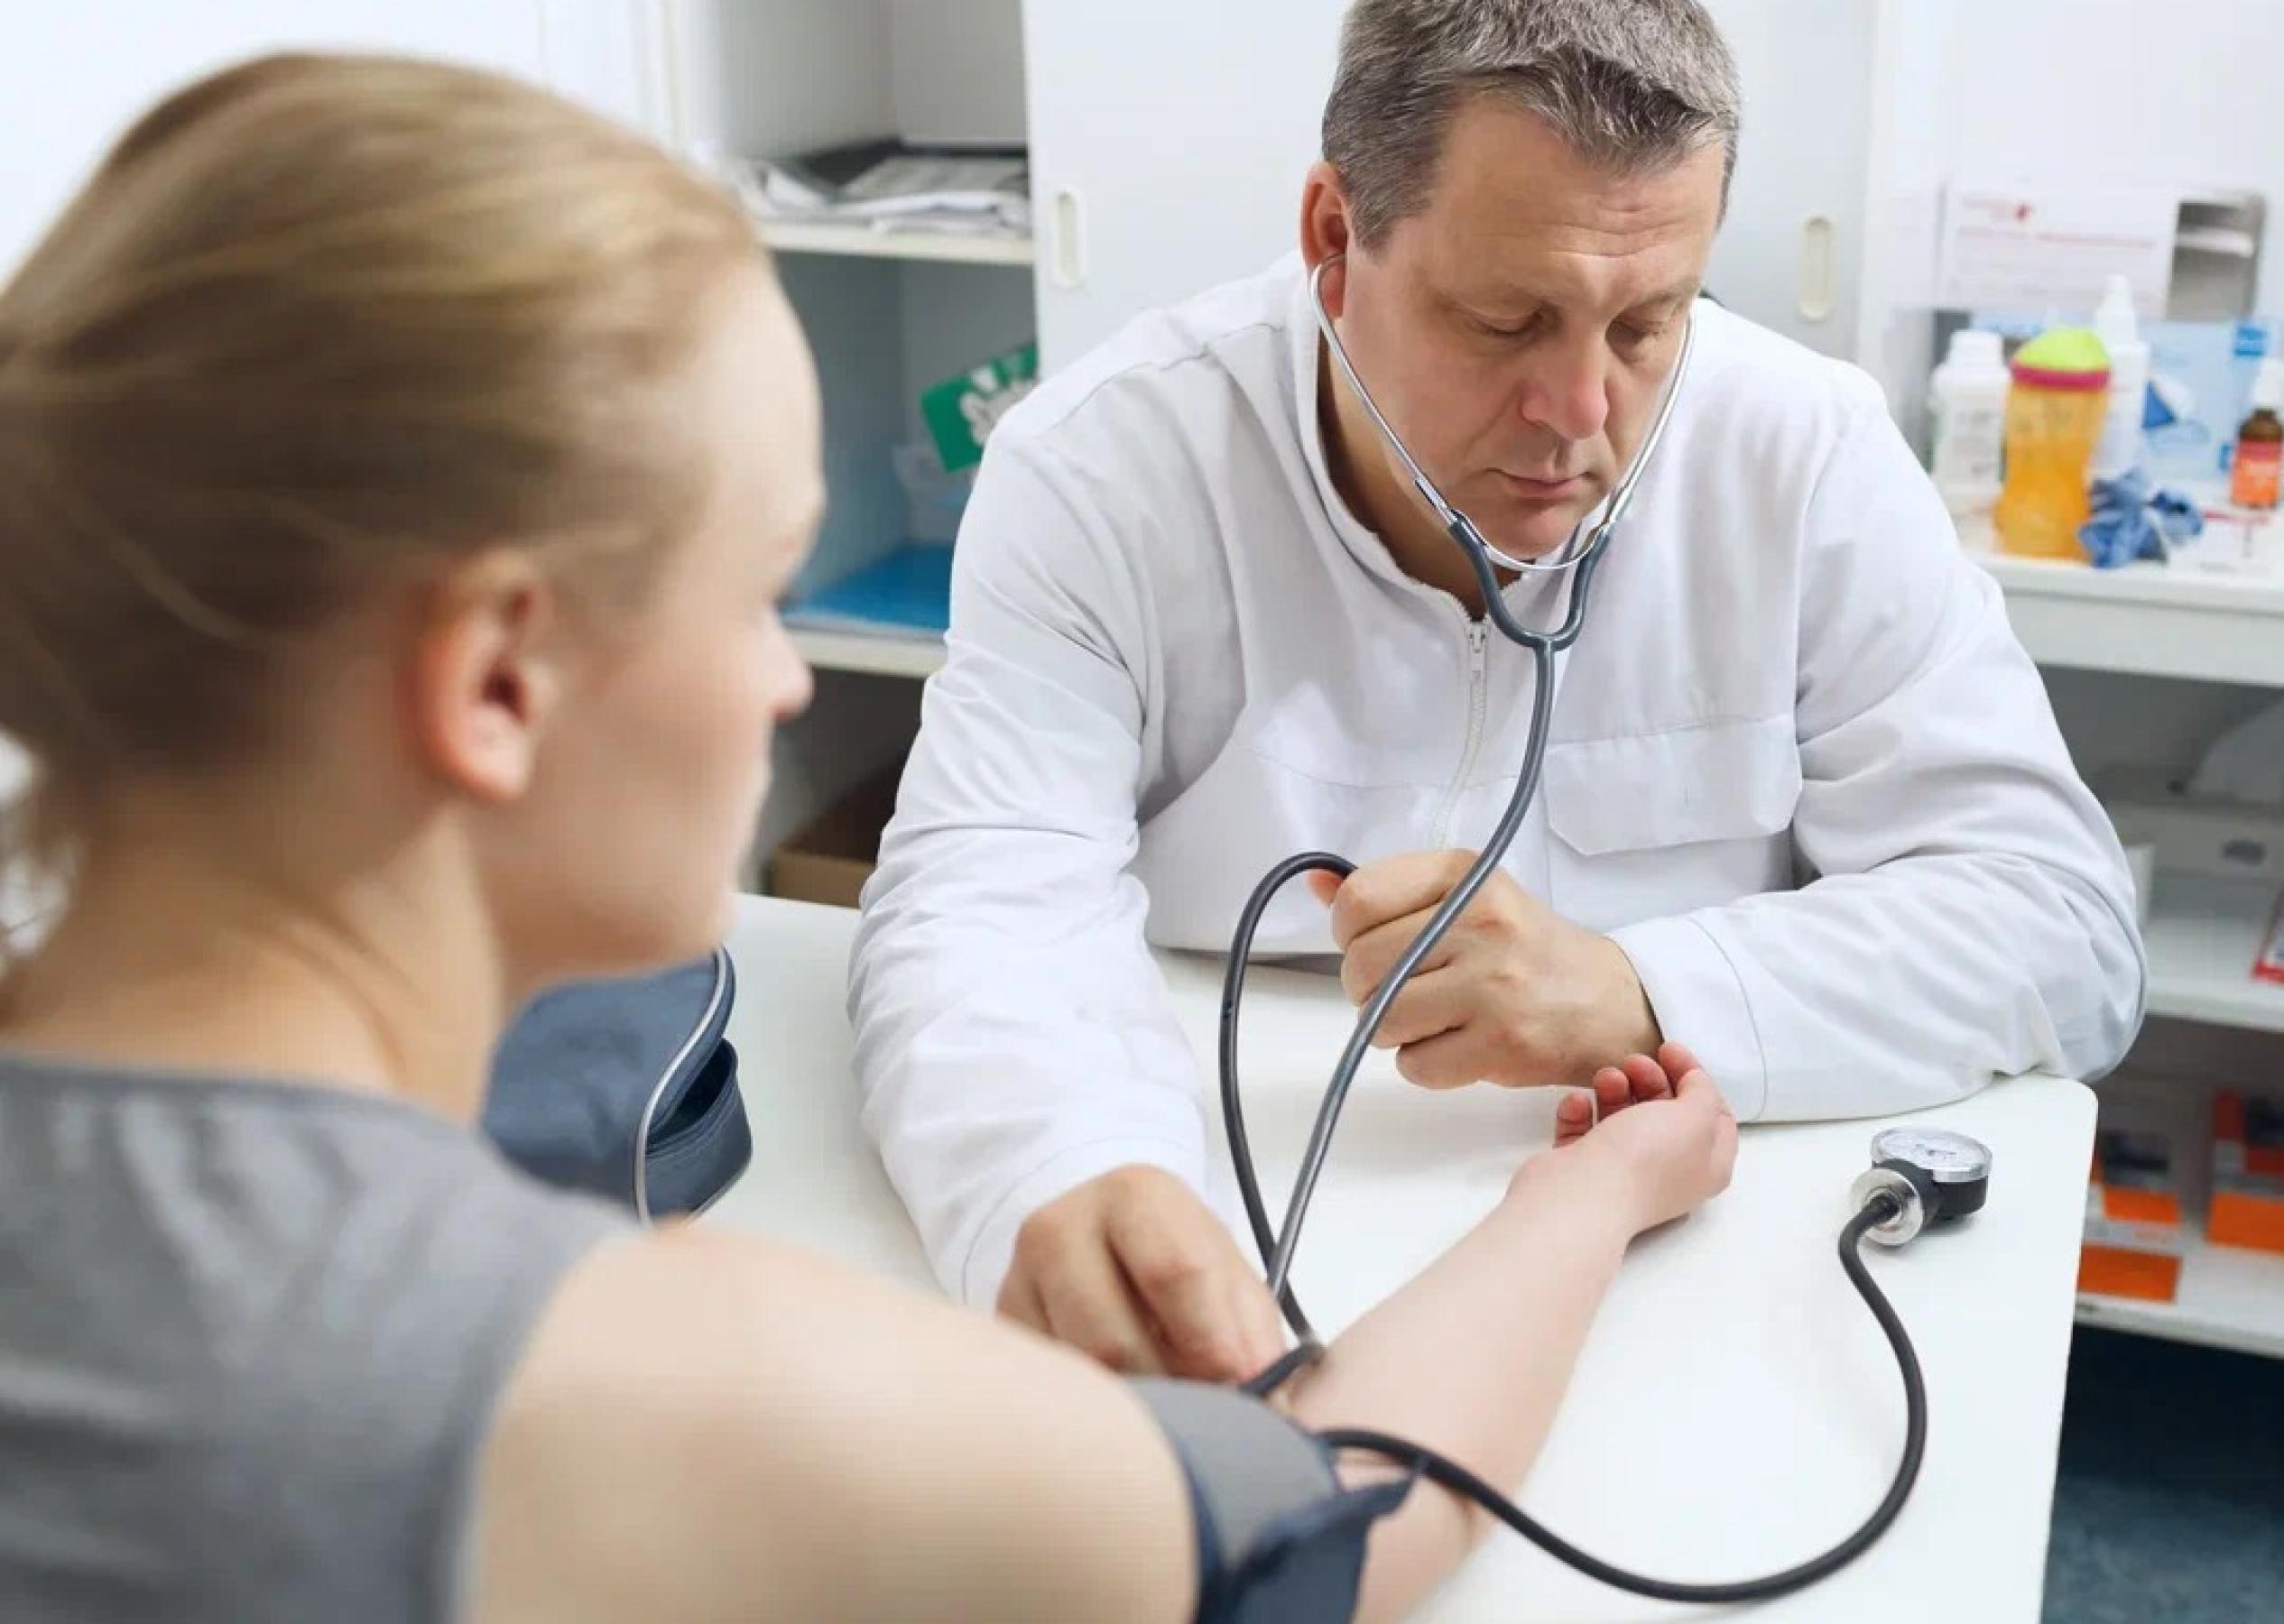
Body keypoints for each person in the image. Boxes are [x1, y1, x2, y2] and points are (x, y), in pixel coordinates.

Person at [0, 53, 1740, 1623]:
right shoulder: (631, 1384)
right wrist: (1587, 1199)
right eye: (757, 589)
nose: (786, 683)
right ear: (496, 685)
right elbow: (1335, 1522)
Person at [854, 0, 2146, 1381]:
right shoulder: (1107, 468)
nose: (1580, 411)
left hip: (1688, 1245)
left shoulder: (1804, 456)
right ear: (1335, 237)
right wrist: (1069, 1167)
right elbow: (983, 903)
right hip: (1223, 1184)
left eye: (1648, 322)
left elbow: (2059, 924)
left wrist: (1643, 988)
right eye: (1505, 320)